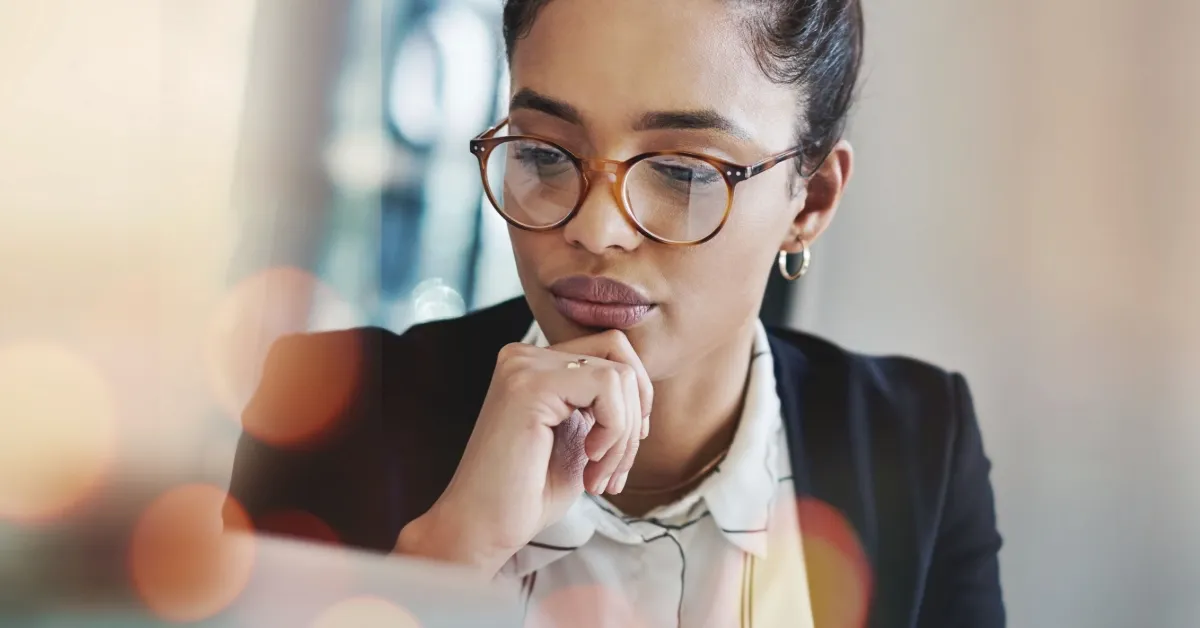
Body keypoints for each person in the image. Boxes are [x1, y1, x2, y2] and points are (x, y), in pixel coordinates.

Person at [225, 0, 1005, 626]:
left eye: (680, 171)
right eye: (543, 153)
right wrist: (447, 559)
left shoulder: (918, 444)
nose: (594, 228)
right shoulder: (331, 407)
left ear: (813, 200)